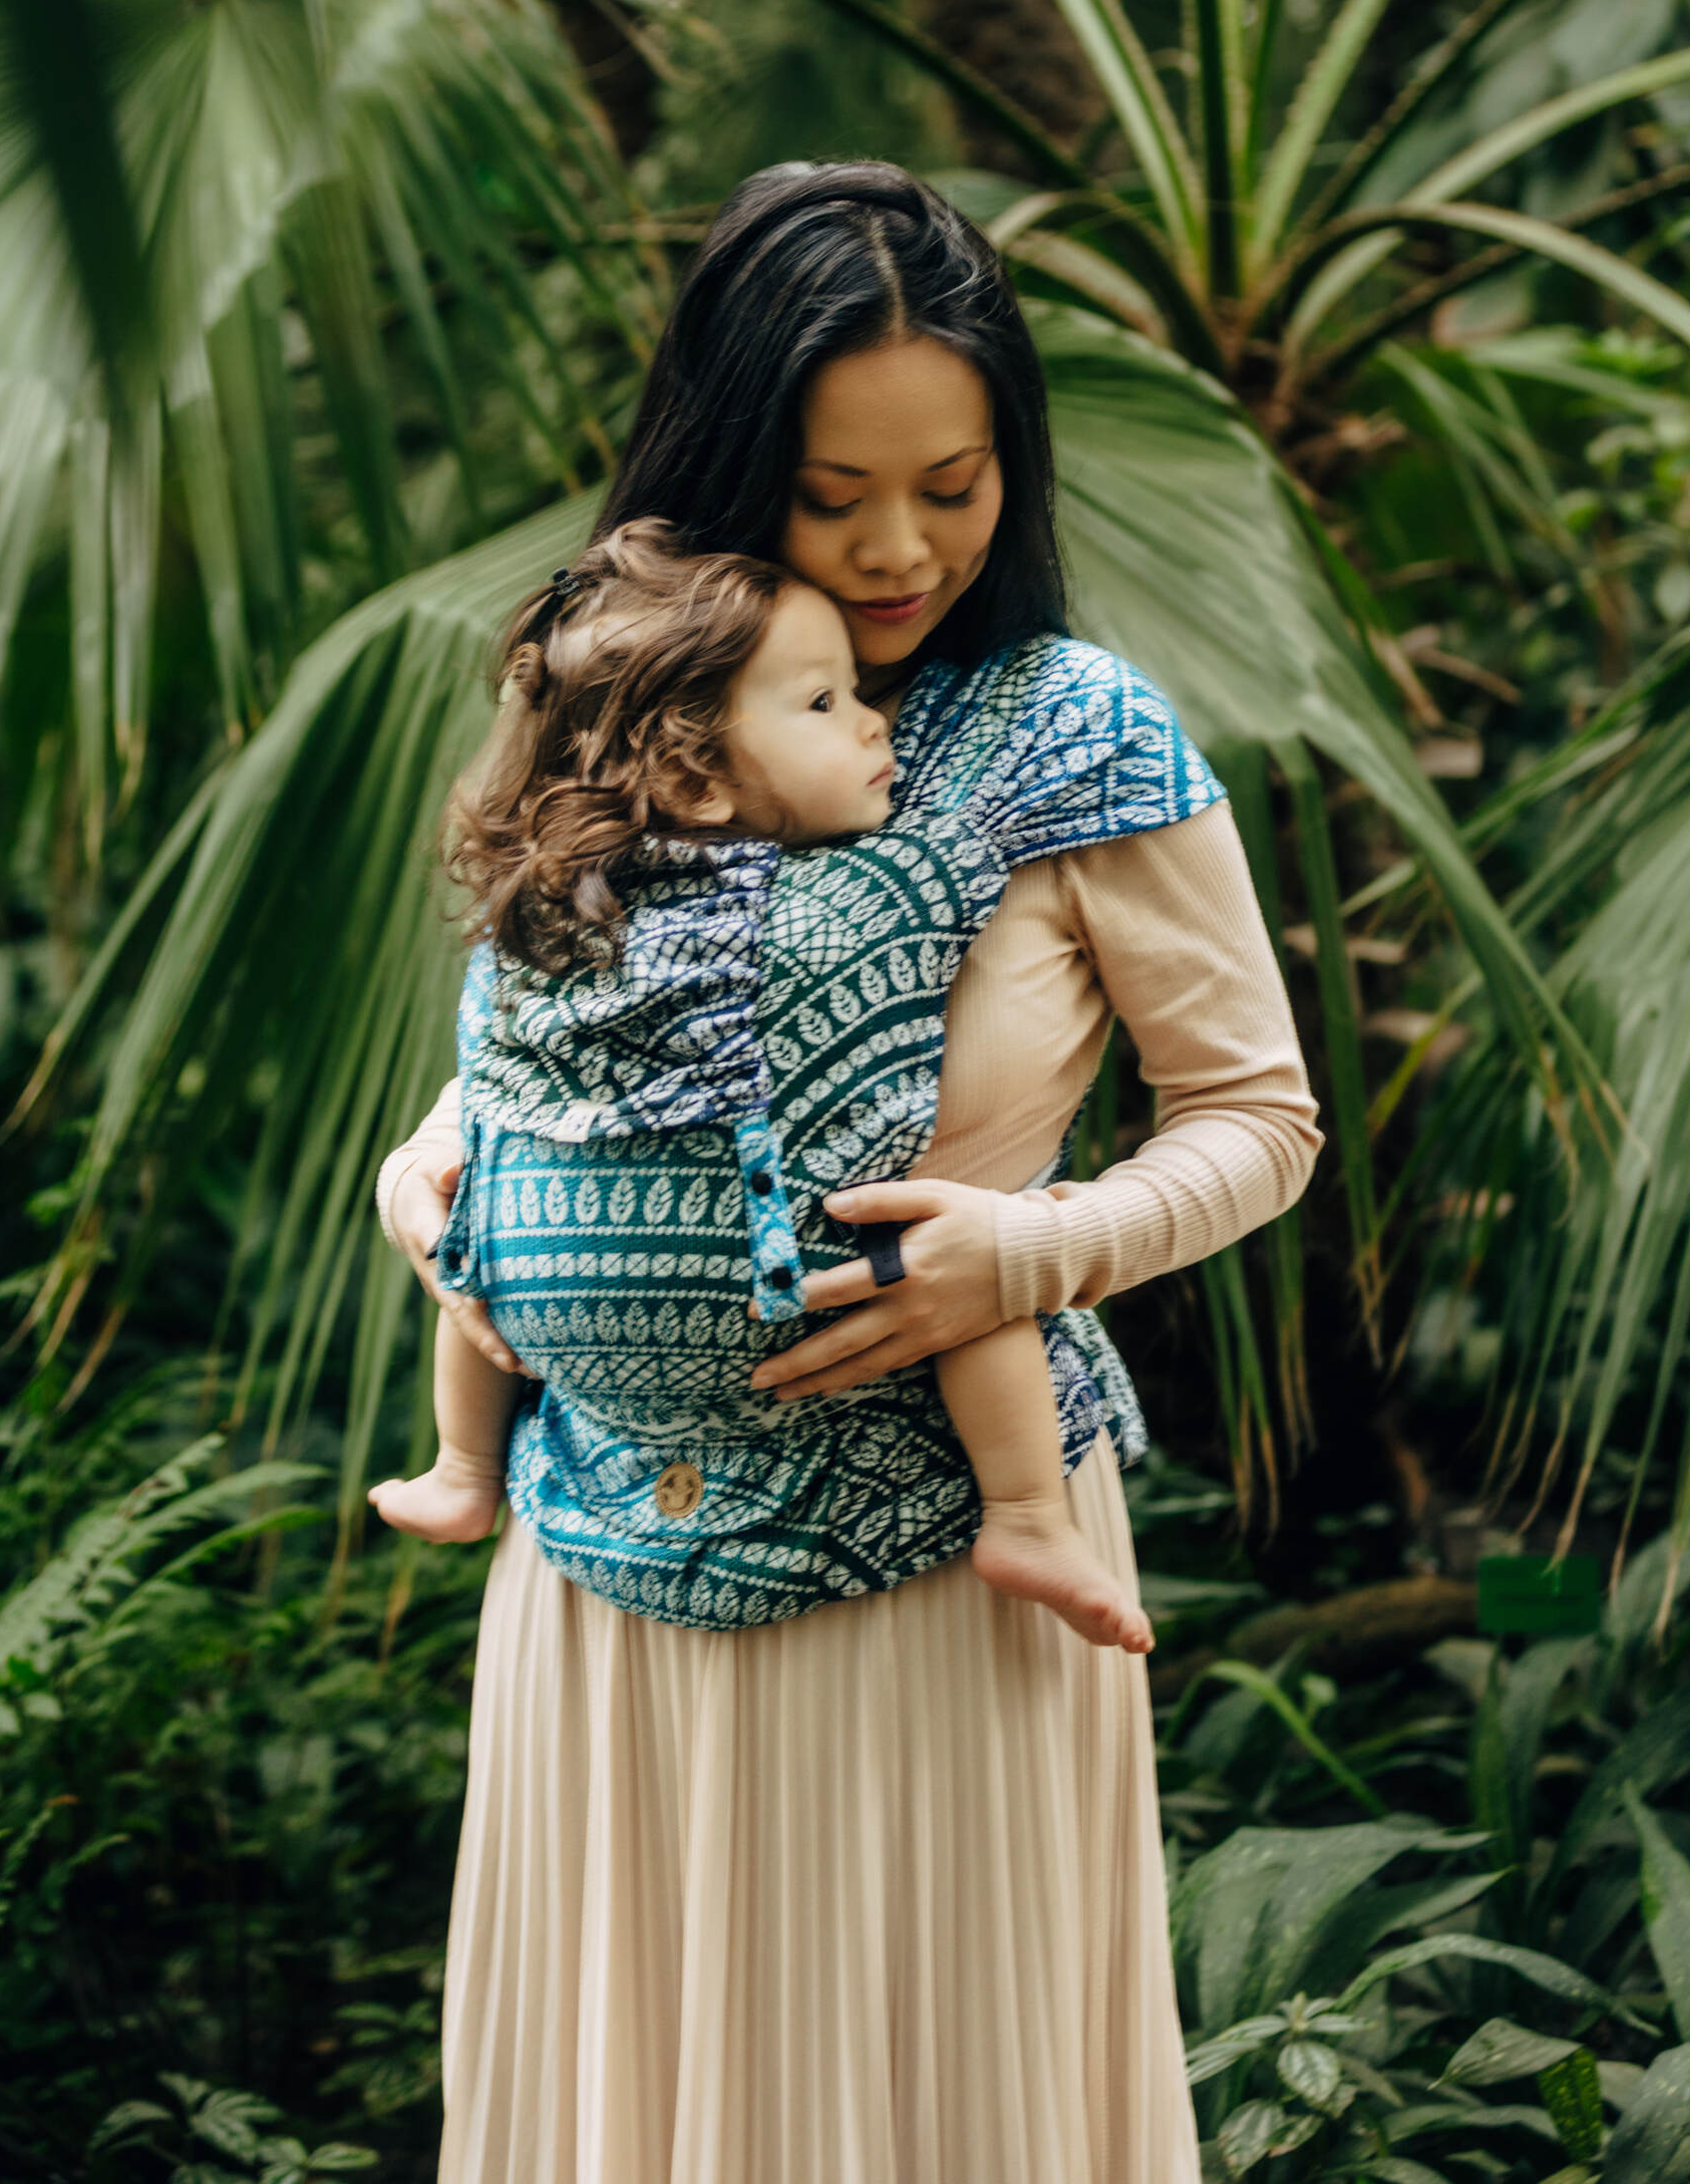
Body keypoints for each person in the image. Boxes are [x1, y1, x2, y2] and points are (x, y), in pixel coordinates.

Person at [376, 161, 1322, 2184]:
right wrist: (434, 1186)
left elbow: (1261, 1119)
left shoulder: (1074, 736)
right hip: (602, 1567)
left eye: (955, 485)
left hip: (951, 1576)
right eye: (832, 498)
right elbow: (521, 1059)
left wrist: (1034, 1247)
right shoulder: (616, 692)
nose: (903, 549)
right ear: (730, 461)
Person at [369, 518, 1155, 1654]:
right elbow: (493, 1080)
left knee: (967, 1271)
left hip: (854, 1297)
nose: (872, 718)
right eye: (825, 704)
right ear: (692, 769)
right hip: (597, 1451)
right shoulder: (586, 903)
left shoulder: (573, 903)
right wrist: (426, 1173)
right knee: (477, 1237)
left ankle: (1027, 1517)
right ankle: (461, 1466)